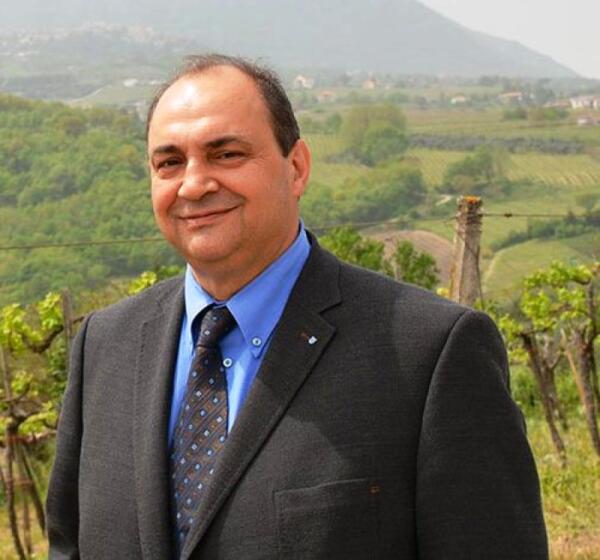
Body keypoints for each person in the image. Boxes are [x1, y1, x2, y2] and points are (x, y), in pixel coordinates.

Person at [47, 54, 548, 559]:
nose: (194, 184)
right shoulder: (104, 347)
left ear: (297, 168)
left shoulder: (430, 354)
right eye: (170, 163)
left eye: (227, 154)